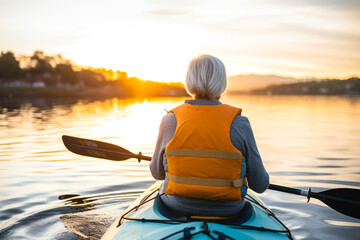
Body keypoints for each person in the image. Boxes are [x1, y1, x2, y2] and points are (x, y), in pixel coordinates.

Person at [150, 54, 269, 217]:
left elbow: (157, 174)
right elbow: (260, 185)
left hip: (177, 206)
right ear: (222, 84)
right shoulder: (240, 123)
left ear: (189, 82)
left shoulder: (170, 120)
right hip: (229, 209)